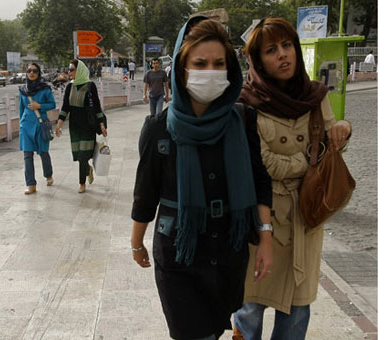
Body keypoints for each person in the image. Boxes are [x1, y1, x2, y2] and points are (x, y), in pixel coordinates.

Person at [131, 17, 274, 340]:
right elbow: (146, 191)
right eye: (200, 63)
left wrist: (265, 237)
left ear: (229, 69)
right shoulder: (158, 128)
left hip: (227, 252)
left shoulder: (242, 120)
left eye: (218, 63)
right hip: (178, 254)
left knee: (212, 330)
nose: (209, 71)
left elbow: (260, 179)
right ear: (181, 69)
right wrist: (135, 241)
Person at [232, 18, 352, 340]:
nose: (283, 55)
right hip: (263, 218)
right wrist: (309, 158)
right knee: (250, 308)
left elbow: (328, 140)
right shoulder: (245, 103)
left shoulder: (315, 95)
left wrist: (343, 129)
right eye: (271, 50)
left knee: (298, 312)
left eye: (287, 46)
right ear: (258, 60)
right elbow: (262, 163)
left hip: (305, 219)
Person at [55, 59, 108, 193]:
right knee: (79, 155)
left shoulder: (90, 86)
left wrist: (102, 125)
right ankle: (87, 169)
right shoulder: (69, 86)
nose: (69, 72)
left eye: (72, 69)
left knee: (84, 155)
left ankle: (81, 183)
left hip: (87, 125)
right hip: (74, 126)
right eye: (69, 69)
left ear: (80, 70)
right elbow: (65, 107)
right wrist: (59, 124)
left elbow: (97, 107)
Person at [18, 63, 56, 195]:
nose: (31, 73)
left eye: (34, 71)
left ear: (39, 73)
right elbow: (21, 109)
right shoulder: (23, 90)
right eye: (29, 71)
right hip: (26, 126)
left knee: (43, 153)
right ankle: (31, 184)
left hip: (40, 125)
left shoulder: (45, 89)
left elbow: (52, 104)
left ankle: (48, 175)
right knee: (27, 155)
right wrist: (20, 125)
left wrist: (40, 106)